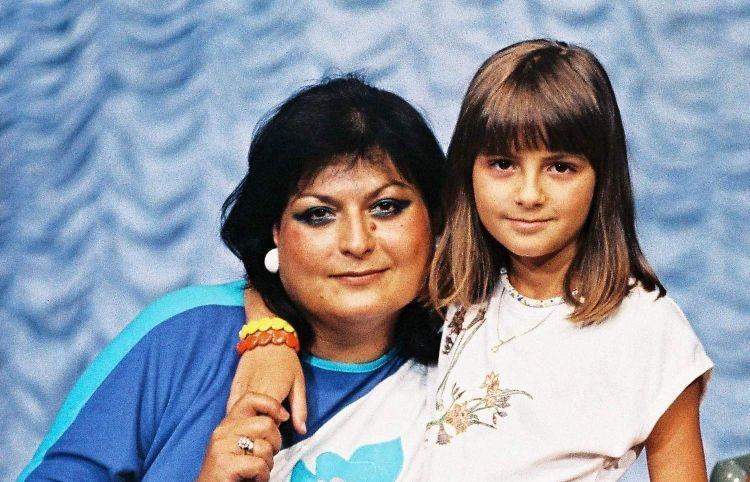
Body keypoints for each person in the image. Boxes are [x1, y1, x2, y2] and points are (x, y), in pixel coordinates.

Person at [232, 39, 713, 481]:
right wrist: (269, 342)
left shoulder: (650, 329)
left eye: (560, 167)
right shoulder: (459, 287)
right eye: (503, 164)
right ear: (468, 172)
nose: (529, 194)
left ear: (602, 178)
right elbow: (289, 276)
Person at [19, 75, 446, 481]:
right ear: (275, 232)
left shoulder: (465, 359)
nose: (356, 242)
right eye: (319, 214)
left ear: (438, 218)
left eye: (386, 207)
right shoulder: (184, 336)